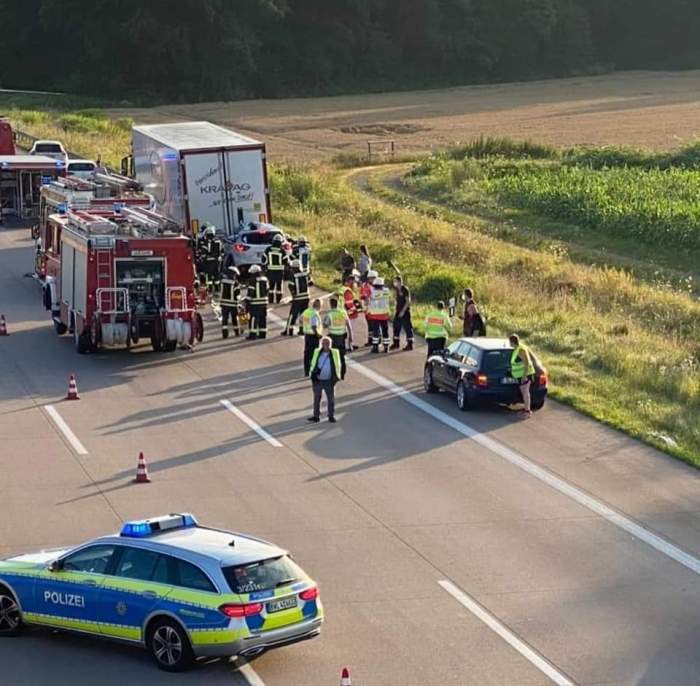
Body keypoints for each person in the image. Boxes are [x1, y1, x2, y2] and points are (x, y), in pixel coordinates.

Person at [308, 337, 342, 423]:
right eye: (324, 343)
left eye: (328, 343)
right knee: (316, 399)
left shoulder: (334, 353)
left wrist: (336, 378)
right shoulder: (317, 352)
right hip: (318, 380)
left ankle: (331, 416)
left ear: (330, 344)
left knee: (331, 400)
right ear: (321, 344)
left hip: (329, 381)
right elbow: (313, 363)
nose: (326, 345)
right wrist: (312, 376)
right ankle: (316, 416)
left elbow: (338, 365)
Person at [323, 296, 351, 379]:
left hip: (333, 338)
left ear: (331, 304)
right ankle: (342, 374)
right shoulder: (343, 312)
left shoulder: (330, 314)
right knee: (342, 357)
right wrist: (350, 336)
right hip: (342, 337)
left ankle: (334, 374)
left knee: (333, 357)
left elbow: (325, 325)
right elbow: (348, 325)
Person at [509, 333, 535, 418]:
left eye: (510, 342)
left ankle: (527, 411)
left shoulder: (520, 350)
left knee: (525, 392)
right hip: (521, 375)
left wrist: (524, 376)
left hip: (525, 374)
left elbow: (526, 362)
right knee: (524, 392)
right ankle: (526, 409)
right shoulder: (517, 349)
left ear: (512, 342)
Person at [283, 259, 310, 335]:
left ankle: (289, 330)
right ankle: (303, 330)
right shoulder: (305, 274)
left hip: (298, 298)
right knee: (304, 314)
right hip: (306, 297)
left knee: (293, 314)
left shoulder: (293, 276)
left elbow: (291, 286)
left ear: (294, 268)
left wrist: (293, 295)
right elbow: (311, 282)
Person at [368, 277, 391, 353]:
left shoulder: (373, 292)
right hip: (384, 315)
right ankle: (386, 347)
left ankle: (375, 347)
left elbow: (368, 298)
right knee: (385, 331)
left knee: (376, 332)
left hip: (375, 315)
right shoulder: (386, 291)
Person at [390, 275, 413, 351]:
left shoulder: (405, 289)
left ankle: (410, 344)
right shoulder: (397, 289)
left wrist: (403, 311)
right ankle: (396, 343)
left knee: (407, 327)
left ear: (399, 282)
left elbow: (408, 301)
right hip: (398, 310)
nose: (394, 283)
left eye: (395, 281)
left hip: (405, 311)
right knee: (396, 326)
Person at [246, 265, 269, 340]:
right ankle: (263, 333)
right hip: (264, 302)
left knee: (253, 318)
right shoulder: (265, 279)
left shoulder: (252, 280)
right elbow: (267, 290)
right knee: (263, 318)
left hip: (255, 303)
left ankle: (252, 334)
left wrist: (247, 301)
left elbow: (250, 292)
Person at [301, 298, 322, 376]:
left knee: (307, 354)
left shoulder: (307, 311)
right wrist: (318, 335)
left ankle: (306, 371)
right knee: (314, 355)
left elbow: (300, 319)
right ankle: (313, 371)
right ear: (318, 305)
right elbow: (314, 326)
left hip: (307, 335)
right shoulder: (314, 314)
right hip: (313, 336)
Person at [219, 266, 241, 339]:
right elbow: (237, 294)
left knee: (225, 319)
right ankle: (237, 332)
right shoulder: (235, 283)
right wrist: (239, 303)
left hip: (223, 303)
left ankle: (225, 334)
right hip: (233, 304)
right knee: (234, 318)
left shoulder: (223, 281)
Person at [264, 234, 286, 304]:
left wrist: (265, 266)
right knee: (279, 286)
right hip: (279, 272)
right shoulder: (282, 251)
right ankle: (278, 300)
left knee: (271, 286)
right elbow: (285, 261)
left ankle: (270, 300)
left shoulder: (268, 249)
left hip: (270, 271)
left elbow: (263, 260)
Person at [341, 271, 360, 350]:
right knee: (349, 330)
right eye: (353, 281)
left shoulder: (346, 289)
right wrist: (356, 310)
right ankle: (347, 346)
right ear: (350, 281)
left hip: (347, 313)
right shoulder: (348, 290)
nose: (354, 283)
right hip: (349, 314)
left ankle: (349, 344)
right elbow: (349, 304)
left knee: (348, 330)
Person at [360, 269, 378, 346]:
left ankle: (376, 339)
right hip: (367, 308)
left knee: (375, 325)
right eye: (372, 278)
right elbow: (361, 294)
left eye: (374, 278)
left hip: (375, 308)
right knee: (370, 325)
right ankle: (370, 340)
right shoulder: (365, 285)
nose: (373, 279)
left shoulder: (378, 286)